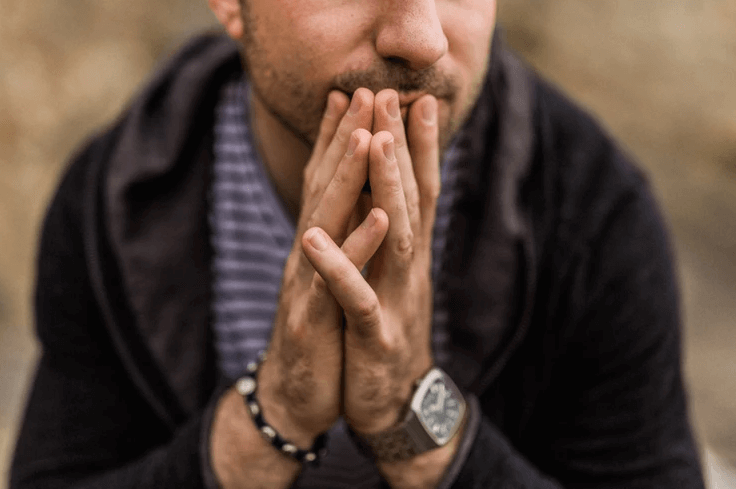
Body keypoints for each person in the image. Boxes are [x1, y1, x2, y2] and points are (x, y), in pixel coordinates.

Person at [10, 0, 706, 487]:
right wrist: (270, 415)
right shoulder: (126, 192)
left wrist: (416, 415)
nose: (422, 37)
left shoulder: (587, 208)